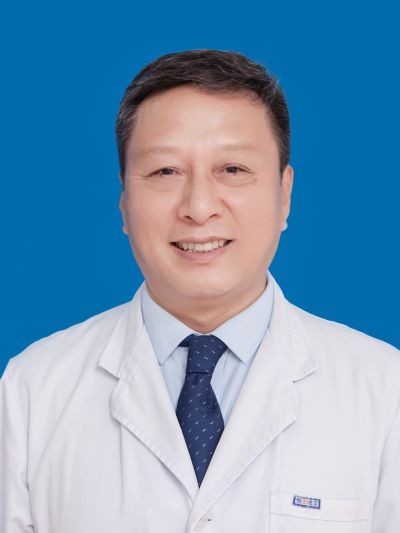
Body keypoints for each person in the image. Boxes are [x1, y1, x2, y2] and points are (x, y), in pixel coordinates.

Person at [0, 49, 399, 533]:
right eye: (165, 171)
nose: (199, 206)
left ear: (284, 194)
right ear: (124, 201)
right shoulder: (31, 391)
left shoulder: (384, 392)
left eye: (232, 169)